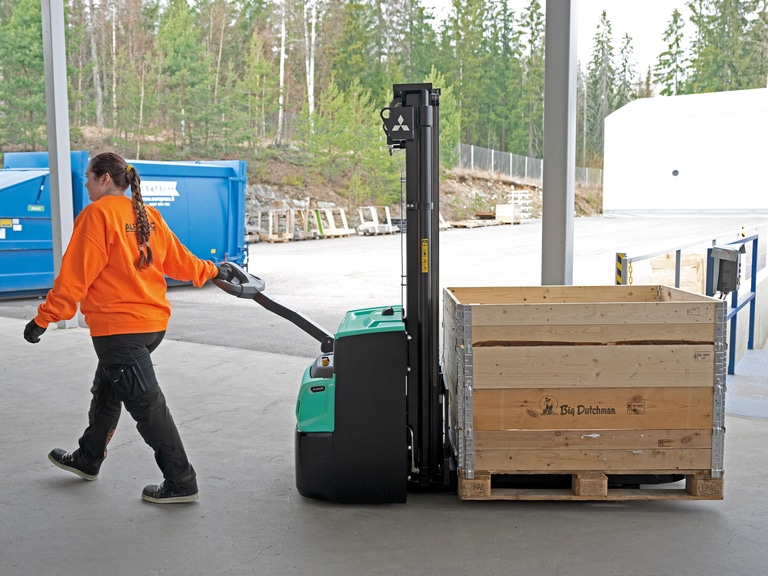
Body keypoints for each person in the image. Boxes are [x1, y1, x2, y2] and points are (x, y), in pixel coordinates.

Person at [23, 151, 235, 504]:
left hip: (119, 329)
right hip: (150, 325)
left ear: (105, 178)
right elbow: (181, 262)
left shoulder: (97, 215)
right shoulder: (148, 215)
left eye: (89, 178)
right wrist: (213, 270)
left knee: (148, 407)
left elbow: (75, 277)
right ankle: (89, 458)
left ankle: (181, 481)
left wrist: (43, 318)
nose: (87, 185)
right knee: (107, 389)